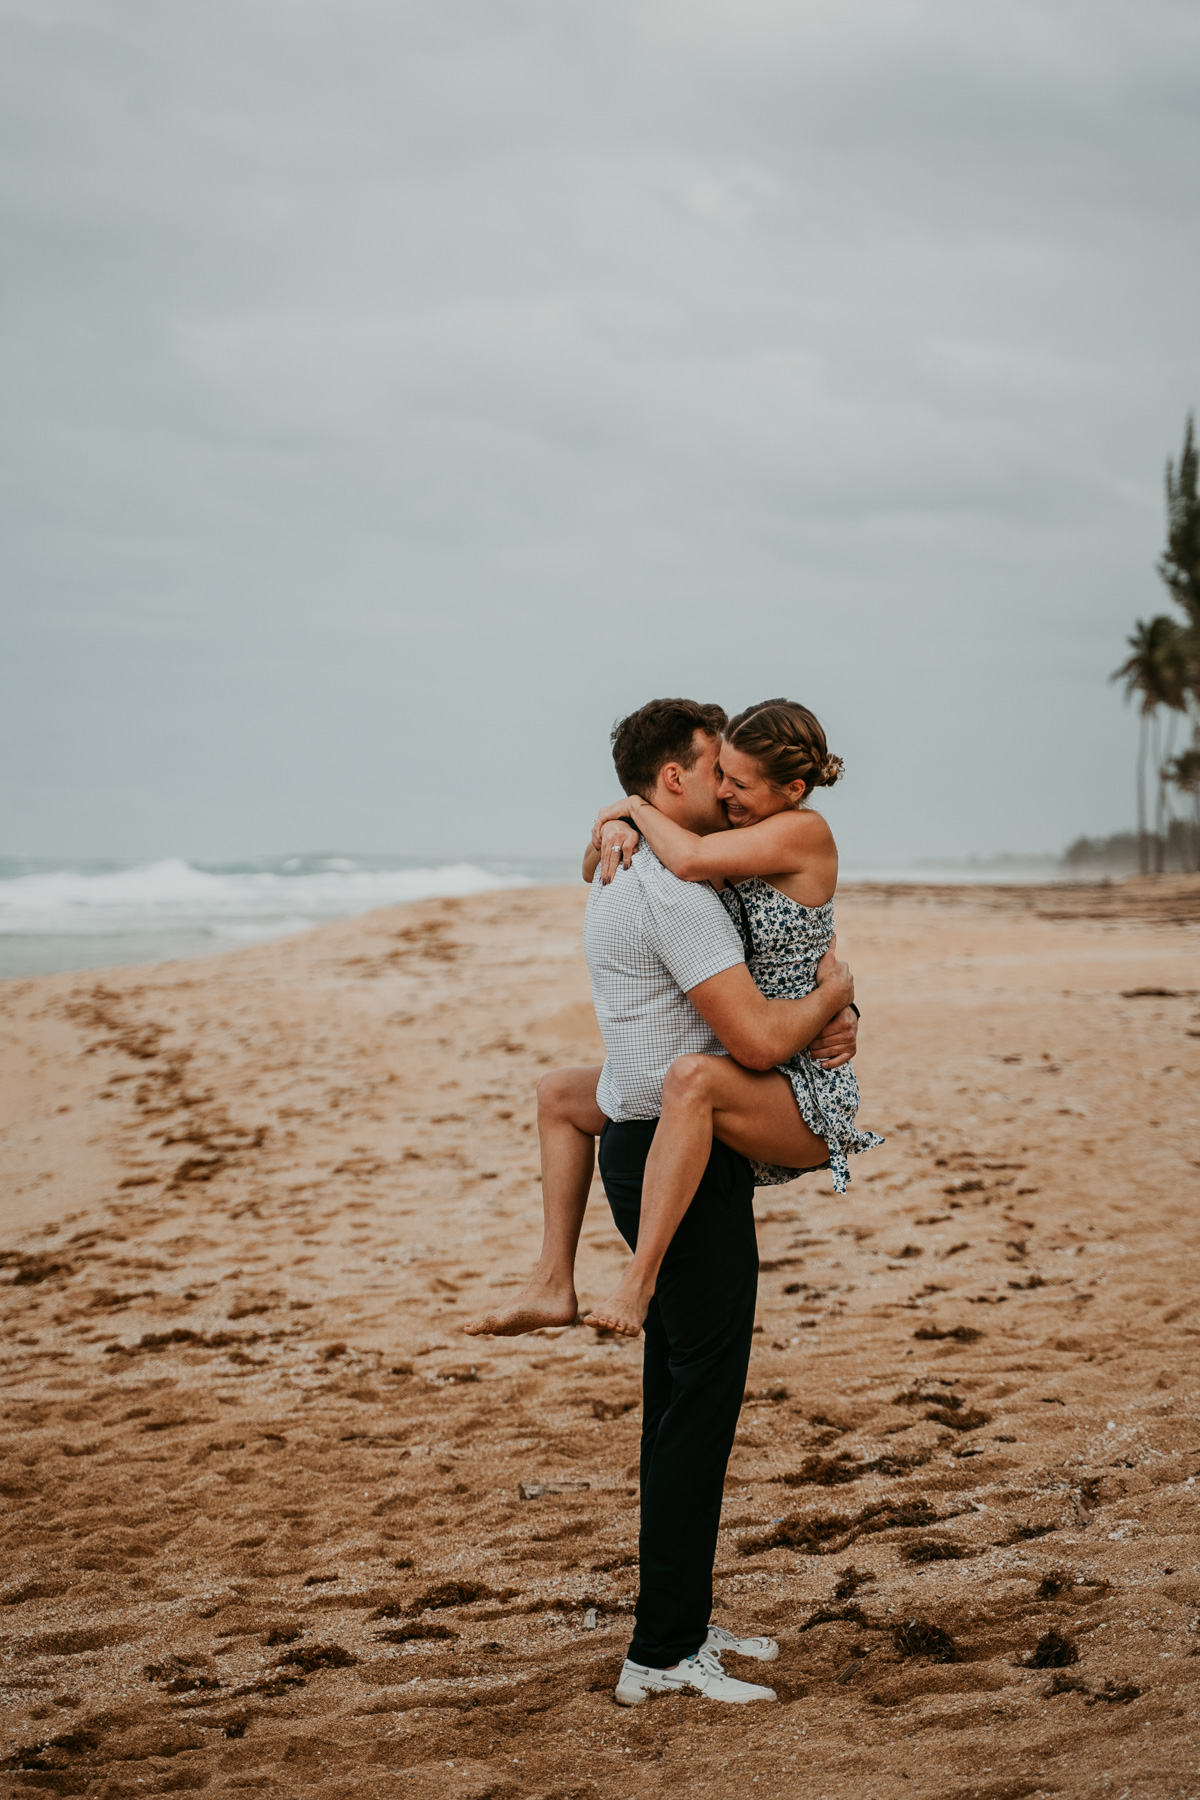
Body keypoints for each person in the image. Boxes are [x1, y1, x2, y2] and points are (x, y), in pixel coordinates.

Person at [470, 697, 860, 1705]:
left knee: (676, 1406)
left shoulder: (634, 864)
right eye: (711, 771)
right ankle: (663, 1652)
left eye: (741, 777)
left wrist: (621, 814)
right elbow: (760, 1040)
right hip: (681, 1157)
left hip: (663, 1151)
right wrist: (833, 995)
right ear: (677, 781)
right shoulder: (676, 885)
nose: (726, 788)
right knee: (697, 1411)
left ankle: (679, 1621)